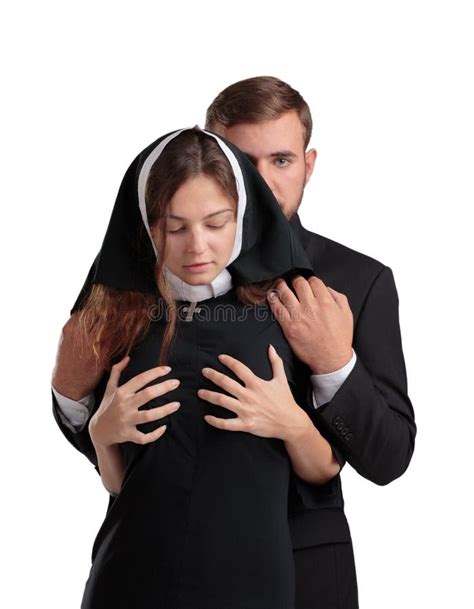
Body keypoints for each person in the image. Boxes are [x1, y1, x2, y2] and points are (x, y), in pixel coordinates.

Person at [52, 126, 343, 608]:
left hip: (251, 581)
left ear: (244, 215)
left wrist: (290, 422)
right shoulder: (118, 318)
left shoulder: (291, 311)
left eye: (216, 223)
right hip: (130, 578)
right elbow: (123, 485)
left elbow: (323, 471)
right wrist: (102, 433)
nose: (198, 248)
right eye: (175, 226)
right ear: (147, 225)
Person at [202, 76, 417, 608]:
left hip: (304, 573)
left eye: (281, 160)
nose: (263, 182)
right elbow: (95, 417)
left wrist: (334, 364)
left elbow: (389, 457)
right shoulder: (149, 274)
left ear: (308, 164)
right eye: (240, 161)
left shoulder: (360, 280)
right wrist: (79, 412)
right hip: (159, 562)